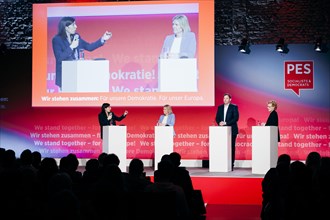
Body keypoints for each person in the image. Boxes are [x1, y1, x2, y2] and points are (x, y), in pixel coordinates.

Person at [52, 16, 112, 90]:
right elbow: (59, 58)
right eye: (73, 25)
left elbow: (89, 47)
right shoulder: (57, 40)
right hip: (65, 77)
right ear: (66, 27)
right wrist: (71, 47)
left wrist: (103, 39)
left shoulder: (76, 37)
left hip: (78, 76)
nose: (76, 26)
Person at [215, 93, 239, 170]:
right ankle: (222, 163)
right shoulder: (220, 107)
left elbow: (236, 118)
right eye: (224, 98)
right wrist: (219, 122)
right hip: (222, 131)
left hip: (232, 130)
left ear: (230, 99)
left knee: (231, 147)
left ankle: (231, 163)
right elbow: (217, 117)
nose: (225, 100)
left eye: (227, 98)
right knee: (222, 147)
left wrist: (226, 123)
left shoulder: (234, 107)